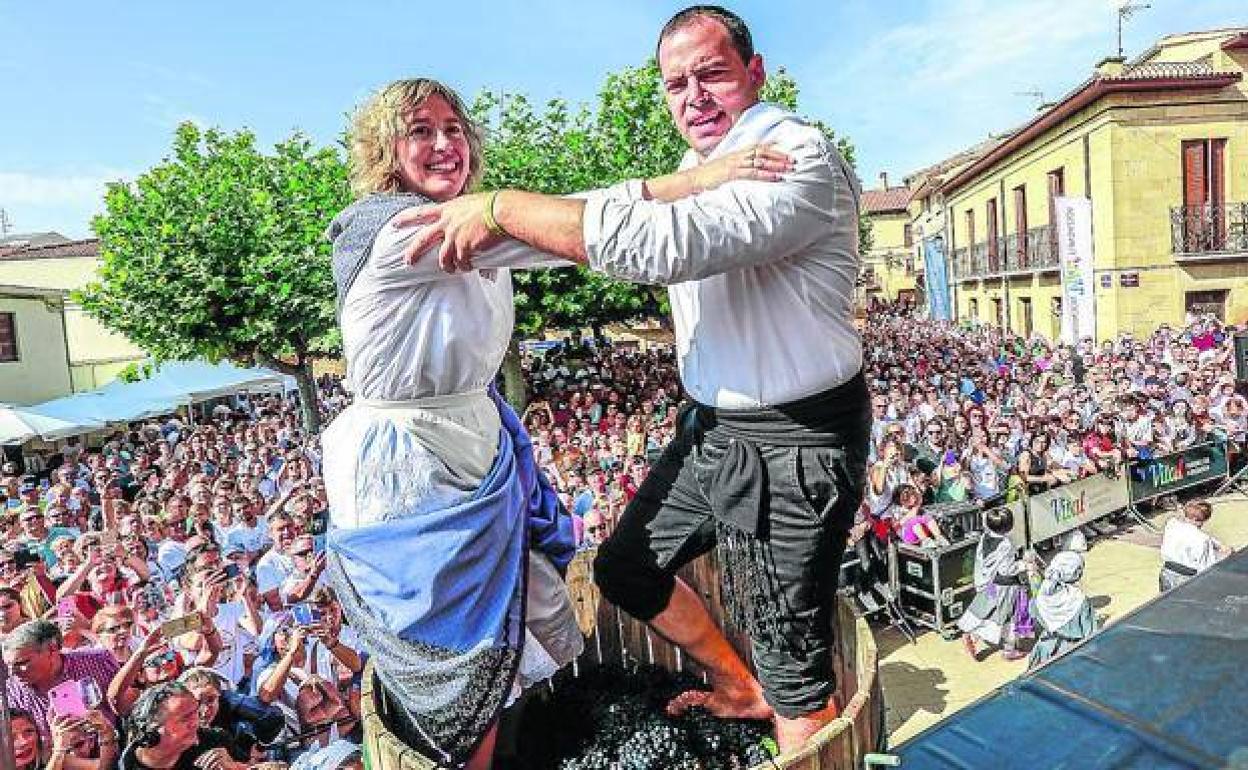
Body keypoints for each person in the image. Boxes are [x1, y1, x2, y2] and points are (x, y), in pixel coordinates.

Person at [395, 6, 869, 751]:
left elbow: (658, 244)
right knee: (626, 570)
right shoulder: (698, 168)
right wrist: (494, 235)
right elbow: (619, 207)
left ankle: (793, 729)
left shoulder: (794, 155)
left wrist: (501, 205)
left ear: (756, 72)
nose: (694, 97)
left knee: (793, 662)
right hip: (713, 428)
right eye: (676, 84)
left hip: (798, 435)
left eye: (711, 74)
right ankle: (735, 686)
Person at [320, 74, 767, 768]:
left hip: (474, 441)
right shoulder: (402, 229)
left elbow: (555, 221)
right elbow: (579, 224)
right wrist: (704, 180)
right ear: (385, 150)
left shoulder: (468, 221)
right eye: (421, 131)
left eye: (455, 129)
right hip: (410, 467)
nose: (445, 144)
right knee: (460, 651)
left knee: (514, 630)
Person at [3, 619, 120, 741]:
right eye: (9, 666)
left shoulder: (99, 661)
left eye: (22, 663)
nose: (13, 672)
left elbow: (124, 707)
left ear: (52, 649)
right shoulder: (11, 692)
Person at [958, 507, 1036, 661]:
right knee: (1011, 616)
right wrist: (1024, 565)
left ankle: (973, 636)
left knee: (987, 611)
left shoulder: (985, 537)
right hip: (1007, 586)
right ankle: (1009, 650)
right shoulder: (1006, 544)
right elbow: (1007, 569)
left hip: (990, 584)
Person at [118, 682, 244, 770]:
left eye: (195, 712)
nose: (195, 722)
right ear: (153, 728)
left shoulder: (215, 739)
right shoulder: (130, 763)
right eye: (185, 718)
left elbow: (257, 764)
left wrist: (236, 767)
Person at [1028, 551, 1097, 669]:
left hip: (1045, 649)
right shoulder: (1080, 600)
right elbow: (1092, 635)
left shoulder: (1042, 595)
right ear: (1076, 573)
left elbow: (1033, 614)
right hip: (1070, 654)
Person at [1159, 499, 1231, 591]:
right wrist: (1226, 556)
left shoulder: (1171, 523)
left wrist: (1218, 544)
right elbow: (1207, 568)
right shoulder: (1203, 540)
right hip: (1187, 580)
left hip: (1166, 574)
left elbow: (1191, 533)